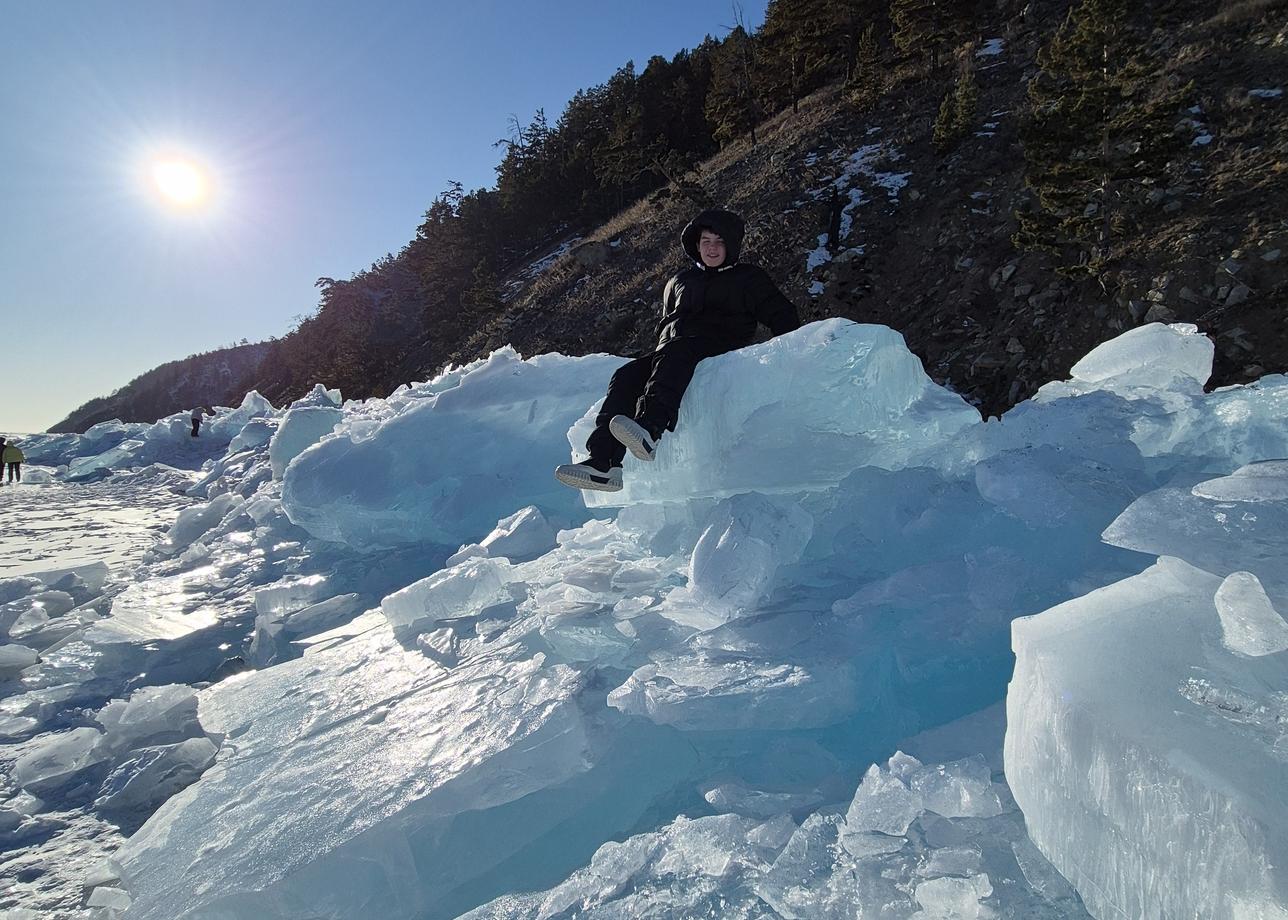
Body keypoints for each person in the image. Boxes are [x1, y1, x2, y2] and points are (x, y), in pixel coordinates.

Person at [556, 208, 800, 492]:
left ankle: (650, 428)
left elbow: (782, 314)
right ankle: (603, 463)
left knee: (678, 350)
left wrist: (794, 353)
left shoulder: (748, 278)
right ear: (696, 245)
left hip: (718, 346)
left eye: (719, 241)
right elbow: (668, 323)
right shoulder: (678, 281)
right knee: (626, 375)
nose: (711, 247)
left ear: (731, 245)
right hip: (674, 349)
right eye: (706, 241)